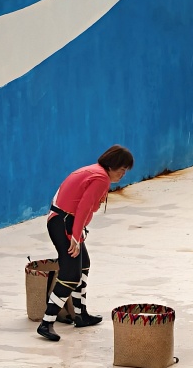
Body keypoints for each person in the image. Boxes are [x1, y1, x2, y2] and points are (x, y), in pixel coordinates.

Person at [37, 145, 134, 342]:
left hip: (63, 220)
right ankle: (46, 323)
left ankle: (81, 314)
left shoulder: (93, 170)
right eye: (122, 169)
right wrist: (74, 236)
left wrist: (76, 231)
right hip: (64, 222)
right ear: (112, 165)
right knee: (71, 275)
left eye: (126, 170)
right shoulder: (101, 178)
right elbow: (84, 207)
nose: (124, 174)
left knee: (84, 265)